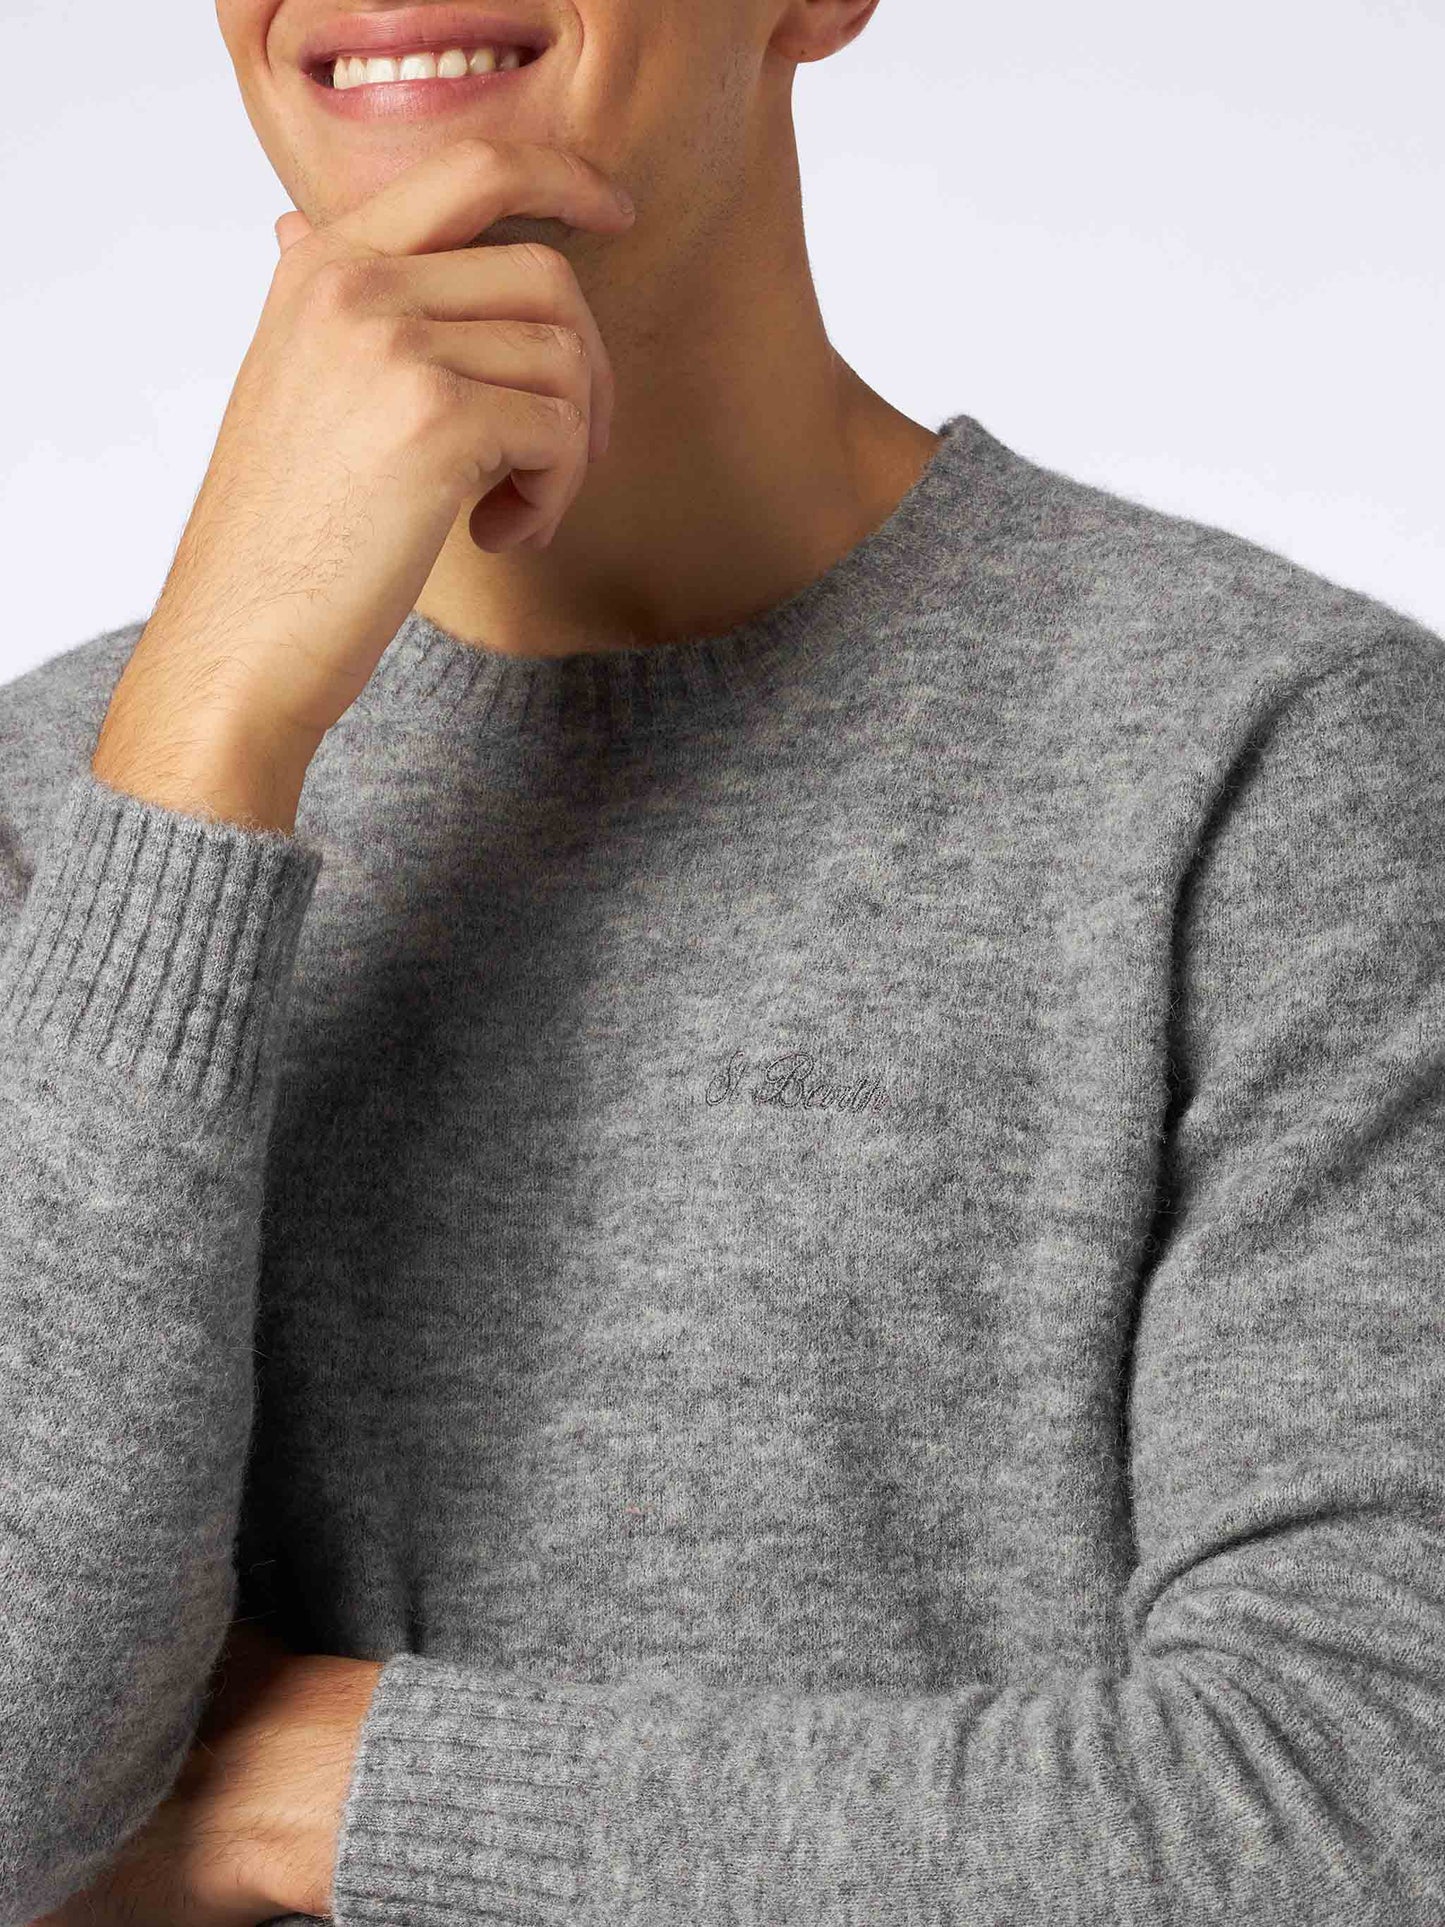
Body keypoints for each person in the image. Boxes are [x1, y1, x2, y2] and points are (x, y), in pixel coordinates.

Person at [2, 0, 1443, 1922]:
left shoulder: (1277, 764)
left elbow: (1361, 1812)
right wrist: (204, 741)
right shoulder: (63, 801)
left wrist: (308, 1790)